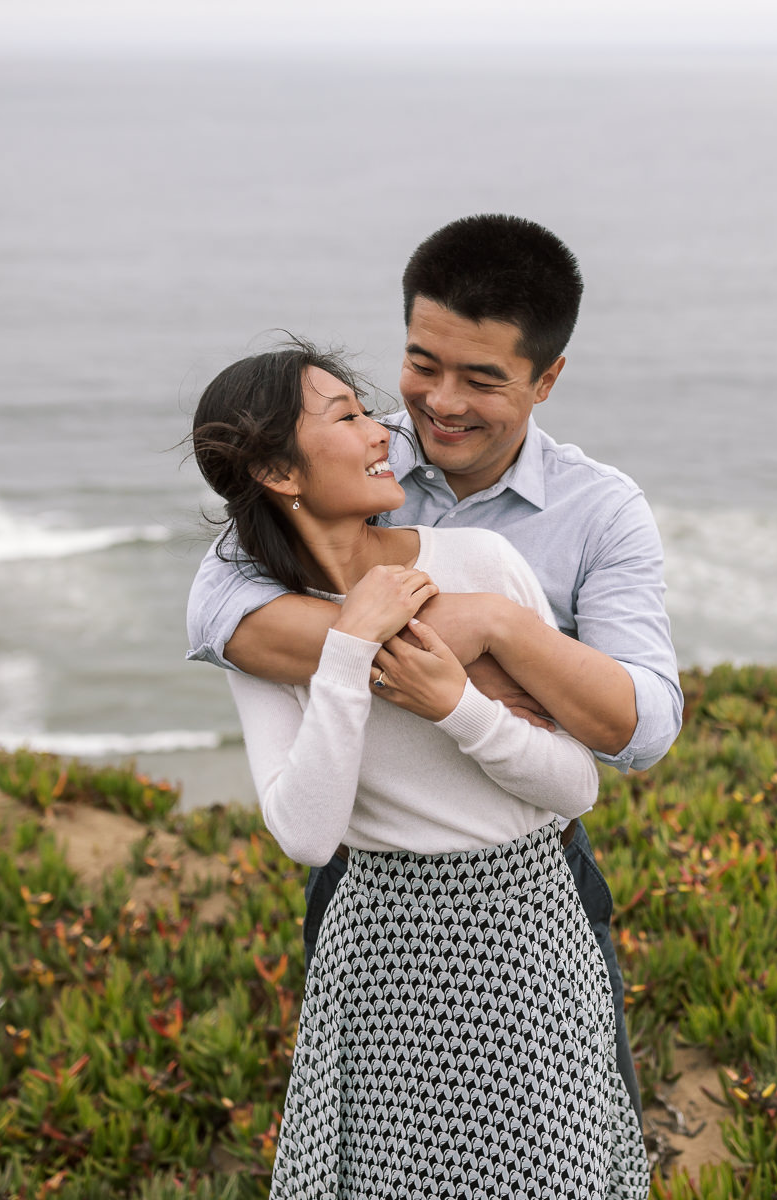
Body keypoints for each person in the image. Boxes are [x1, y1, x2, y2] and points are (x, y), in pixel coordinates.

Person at [185, 214, 683, 1116]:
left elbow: (638, 725)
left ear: (546, 379)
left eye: (482, 378)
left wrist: (499, 631)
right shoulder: (346, 453)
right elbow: (221, 613)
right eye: (422, 363)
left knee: (561, 1134)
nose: (438, 403)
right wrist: (394, 644)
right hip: (369, 889)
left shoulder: (599, 511)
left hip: (533, 882)